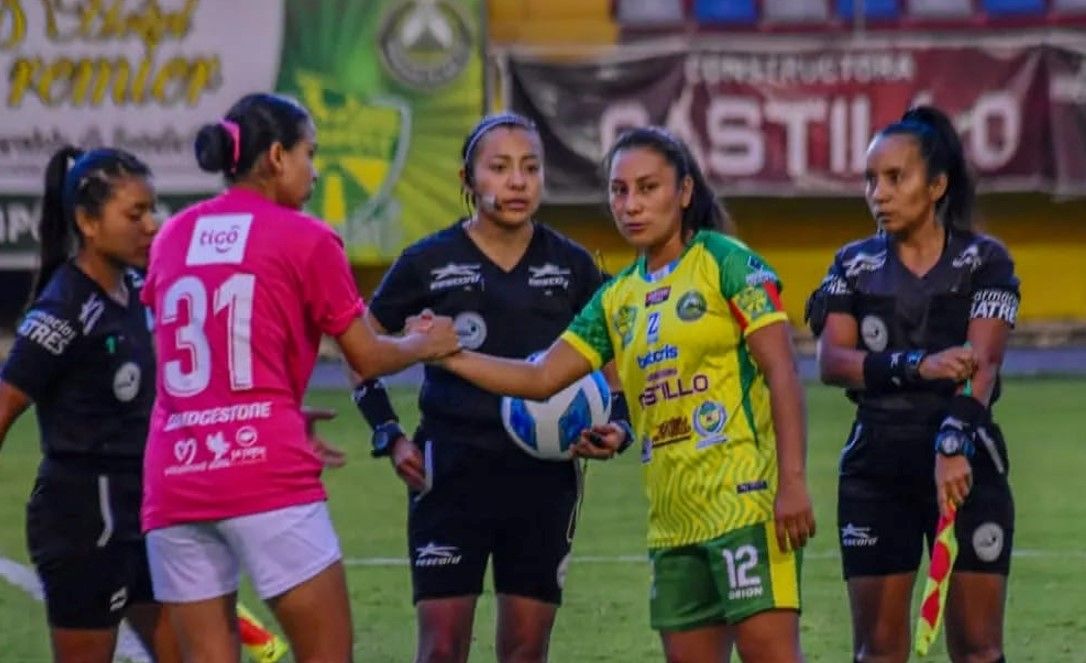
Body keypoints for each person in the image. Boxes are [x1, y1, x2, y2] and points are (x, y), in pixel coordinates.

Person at [427, 126, 816, 663]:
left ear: (683, 192)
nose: (630, 205)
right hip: (672, 520)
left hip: (746, 505)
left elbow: (782, 373)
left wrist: (792, 483)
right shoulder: (617, 298)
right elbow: (541, 378)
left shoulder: (726, 262)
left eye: (647, 188)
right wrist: (449, 355)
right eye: (618, 190)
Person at [139, 92, 460, 663]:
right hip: (263, 473)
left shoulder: (171, 237)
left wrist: (277, 406)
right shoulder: (305, 237)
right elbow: (366, 356)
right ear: (277, 157)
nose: (315, 170)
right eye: (311, 153)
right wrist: (425, 343)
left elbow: (193, 353)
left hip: (175, 475)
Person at [352, 112, 620, 663]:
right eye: (499, 168)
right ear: (468, 179)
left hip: (545, 480)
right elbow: (361, 353)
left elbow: (615, 361)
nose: (517, 182)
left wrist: (618, 423)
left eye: (530, 168)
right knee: (442, 650)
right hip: (450, 473)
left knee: (525, 651)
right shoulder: (426, 262)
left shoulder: (572, 266)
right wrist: (390, 435)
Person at [805, 106, 1018, 663]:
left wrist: (953, 443)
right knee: (877, 652)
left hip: (969, 466)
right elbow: (833, 361)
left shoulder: (983, 260)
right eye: (871, 179)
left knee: (978, 649)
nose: (879, 192)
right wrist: (916, 366)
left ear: (937, 185)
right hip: (875, 472)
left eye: (896, 178)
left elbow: (983, 363)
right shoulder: (852, 264)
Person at [0, 146, 180, 662]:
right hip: (83, 517)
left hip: (146, 505)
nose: (151, 225)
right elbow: (6, 402)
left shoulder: (140, 288)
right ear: (88, 222)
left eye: (153, 210)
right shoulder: (63, 307)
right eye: (135, 214)